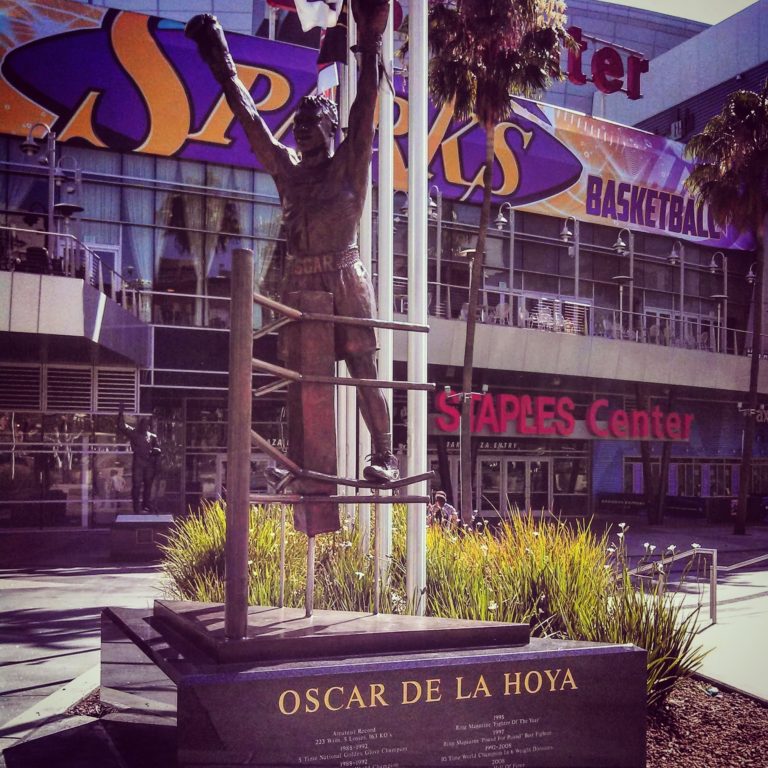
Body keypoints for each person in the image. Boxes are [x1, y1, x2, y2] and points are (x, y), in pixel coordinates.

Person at [185, 0, 398, 484]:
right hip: (301, 279)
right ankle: (303, 463)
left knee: (364, 371)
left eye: (311, 125)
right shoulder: (286, 170)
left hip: (345, 274)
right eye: (297, 127)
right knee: (302, 381)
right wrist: (221, 61)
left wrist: (370, 35)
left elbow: (366, 100)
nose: (300, 132)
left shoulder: (350, 162)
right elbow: (250, 119)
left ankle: (385, 454)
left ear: (330, 129)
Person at [117, 405, 161, 514]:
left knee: (148, 486)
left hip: (149, 464)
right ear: (140, 426)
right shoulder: (134, 433)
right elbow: (122, 426)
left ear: (148, 427)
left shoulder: (152, 437)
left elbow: (159, 449)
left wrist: (153, 451)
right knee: (136, 486)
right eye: (143, 425)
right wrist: (121, 413)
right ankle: (136, 507)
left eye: (146, 425)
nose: (145, 427)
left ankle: (146, 505)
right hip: (138, 464)